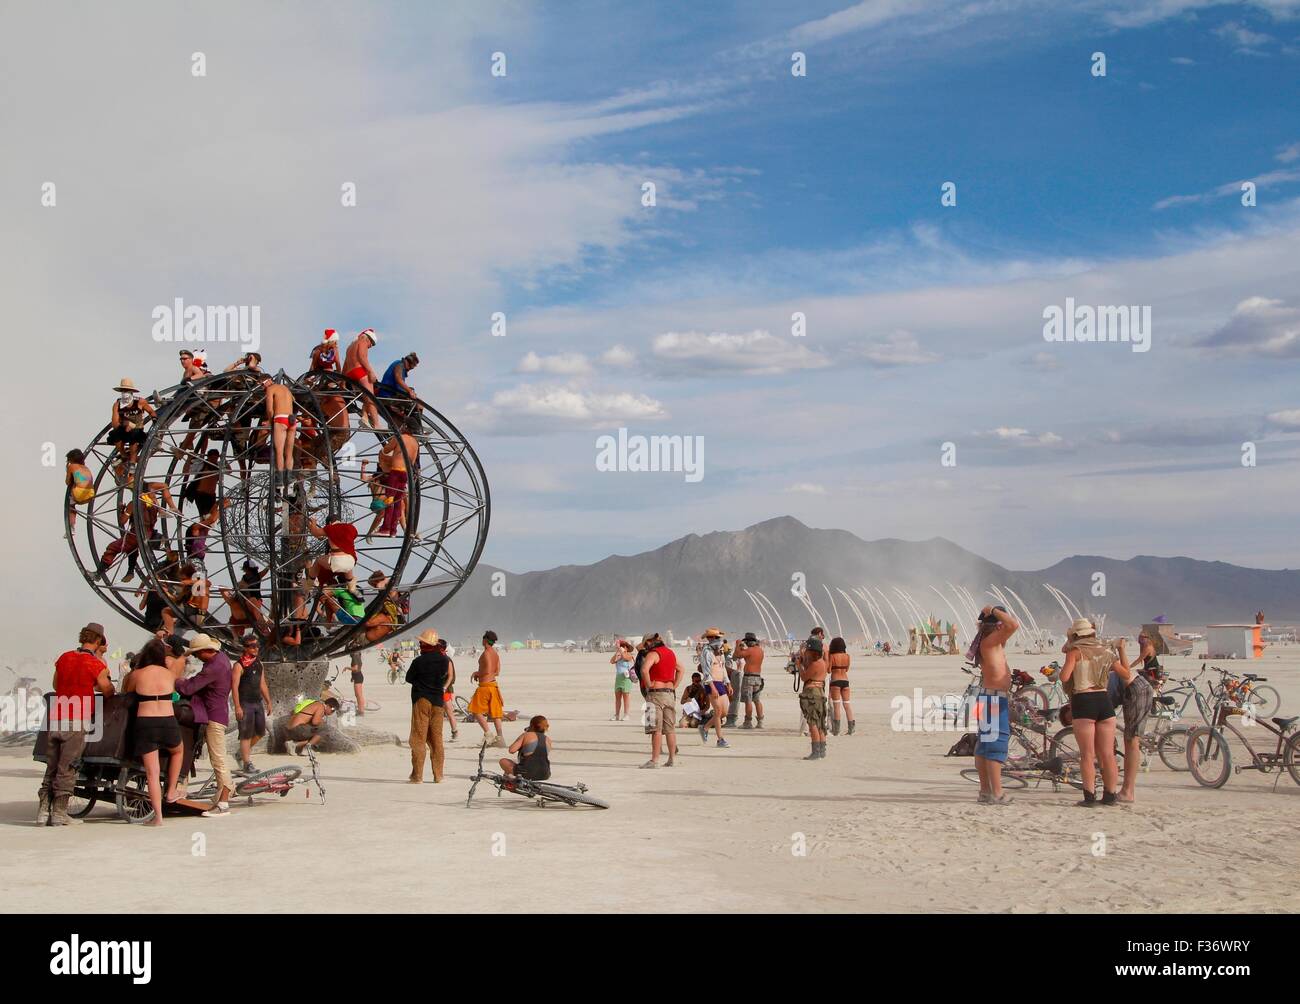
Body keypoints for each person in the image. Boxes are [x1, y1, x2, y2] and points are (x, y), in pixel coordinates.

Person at [37, 623, 115, 825]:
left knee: (51, 767)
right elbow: (106, 690)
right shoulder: (96, 665)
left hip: (55, 719)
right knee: (68, 767)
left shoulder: (64, 657)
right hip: (76, 719)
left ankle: (43, 812)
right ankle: (60, 814)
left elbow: (56, 684)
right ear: (98, 640)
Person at [1059, 618, 1124, 808]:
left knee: (1087, 754)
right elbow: (1125, 673)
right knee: (1107, 754)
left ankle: (1089, 797)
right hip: (1104, 700)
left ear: (1076, 635)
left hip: (1084, 700)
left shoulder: (1075, 652)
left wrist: (1071, 644)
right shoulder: (1106, 650)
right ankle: (1110, 795)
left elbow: (1064, 676)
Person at [121, 637, 183, 826]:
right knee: (178, 751)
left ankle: (158, 817)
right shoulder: (169, 674)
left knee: (152, 773)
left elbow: (126, 691)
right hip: (168, 720)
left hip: (145, 723)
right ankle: (171, 790)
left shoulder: (138, 674)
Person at [174, 634, 235, 815]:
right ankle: (223, 794)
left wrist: (175, 680)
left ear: (206, 651)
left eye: (197, 654)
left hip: (214, 716)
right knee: (218, 758)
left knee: (218, 759)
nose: (195, 657)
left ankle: (224, 803)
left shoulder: (213, 668)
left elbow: (189, 688)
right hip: (218, 712)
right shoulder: (222, 658)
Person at [968, 605, 1019, 805]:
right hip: (992, 700)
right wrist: (993, 610)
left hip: (986, 698)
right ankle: (997, 793)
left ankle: (985, 791)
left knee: (984, 746)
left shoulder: (990, 643)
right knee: (995, 745)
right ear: (996, 625)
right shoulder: (990, 641)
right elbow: (1013, 624)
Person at [1109, 635, 1151, 804]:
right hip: (1137, 687)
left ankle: (1128, 792)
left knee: (1131, 740)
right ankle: (1126, 789)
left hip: (1136, 689)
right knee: (1130, 739)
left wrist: (1120, 649)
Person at [405, 629, 449, 783]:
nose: (419, 644)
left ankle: (417, 776)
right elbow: (444, 676)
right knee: (437, 739)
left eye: (421, 642)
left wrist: (420, 682)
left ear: (425, 644)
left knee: (418, 738)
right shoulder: (444, 660)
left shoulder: (418, 661)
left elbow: (409, 678)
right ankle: (438, 775)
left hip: (421, 699)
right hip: (438, 701)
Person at [639, 632, 681, 768]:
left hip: (655, 694)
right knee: (670, 729)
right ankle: (672, 759)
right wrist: (674, 685)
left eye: (646, 644)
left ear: (650, 642)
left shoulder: (653, 653)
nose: (646, 646)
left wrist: (649, 684)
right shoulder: (671, 653)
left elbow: (644, 670)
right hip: (669, 694)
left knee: (655, 729)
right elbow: (681, 669)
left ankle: (654, 760)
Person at [231, 636, 272, 775]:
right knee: (246, 735)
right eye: (252, 646)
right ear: (245, 648)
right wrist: (237, 706)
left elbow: (262, 683)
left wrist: (268, 701)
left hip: (257, 702)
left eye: (257, 645)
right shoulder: (239, 665)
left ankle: (241, 753)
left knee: (261, 732)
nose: (255, 648)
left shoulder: (259, 663)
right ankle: (247, 762)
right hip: (245, 703)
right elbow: (234, 687)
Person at [106, 377, 156, 472]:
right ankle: (124, 455)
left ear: (131, 392)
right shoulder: (117, 404)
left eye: (126, 390)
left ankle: (132, 462)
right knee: (115, 434)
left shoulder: (140, 402)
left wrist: (154, 420)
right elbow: (115, 422)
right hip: (124, 428)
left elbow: (151, 412)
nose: (125, 393)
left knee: (134, 435)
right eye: (123, 390)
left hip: (137, 429)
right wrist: (125, 424)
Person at [469, 630, 505, 746]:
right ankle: (500, 738)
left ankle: (488, 734)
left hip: (485, 686)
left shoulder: (486, 653)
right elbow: (497, 671)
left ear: (485, 640)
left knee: (475, 710)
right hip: (493, 685)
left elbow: (488, 669)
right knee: (496, 714)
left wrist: (477, 673)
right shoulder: (495, 653)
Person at [698, 628, 731, 747]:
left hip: (721, 683)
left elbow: (723, 668)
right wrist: (712, 687)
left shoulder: (720, 651)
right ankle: (720, 739)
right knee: (717, 711)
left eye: (719, 638)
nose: (719, 640)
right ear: (710, 639)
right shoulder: (706, 652)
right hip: (711, 683)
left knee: (724, 712)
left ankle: (705, 728)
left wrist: (728, 683)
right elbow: (706, 672)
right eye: (716, 638)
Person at [262, 377, 297, 487]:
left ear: (268, 381)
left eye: (262, 385)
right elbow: (293, 401)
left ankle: (280, 480)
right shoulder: (286, 389)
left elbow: (269, 409)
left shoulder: (271, 389)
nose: (263, 388)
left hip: (280, 418)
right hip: (291, 419)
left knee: (279, 451)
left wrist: (269, 420)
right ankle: (289, 477)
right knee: (289, 452)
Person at [342, 328, 381, 428]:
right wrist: (370, 372)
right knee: (371, 397)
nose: (371, 346)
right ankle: (377, 424)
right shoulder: (363, 341)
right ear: (368, 338)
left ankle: (365, 417)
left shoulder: (350, 346)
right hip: (359, 370)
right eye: (371, 343)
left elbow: (345, 364)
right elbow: (362, 357)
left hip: (350, 373)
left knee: (365, 396)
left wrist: (342, 380)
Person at [798, 636, 829, 760]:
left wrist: (799, 666)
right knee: (820, 723)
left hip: (812, 693)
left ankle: (815, 752)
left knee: (813, 723)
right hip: (820, 693)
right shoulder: (822, 663)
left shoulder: (815, 664)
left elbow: (804, 677)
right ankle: (821, 750)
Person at [501, 716, 552, 781]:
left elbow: (511, 750)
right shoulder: (548, 740)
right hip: (545, 774)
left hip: (527, 773)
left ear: (531, 725)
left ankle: (511, 780)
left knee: (503, 761)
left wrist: (522, 737)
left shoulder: (526, 735)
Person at [737, 632, 765, 729]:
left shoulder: (749, 650)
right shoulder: (760, 650)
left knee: (748, 700)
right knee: (757, 700)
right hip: (758, 677)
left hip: (749, 677)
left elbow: (737, 655)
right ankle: (760, 721)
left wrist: (738, 645)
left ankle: (748, 722)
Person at [827, 636, 854, 736]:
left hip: (835, 681)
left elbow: (829, 670)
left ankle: (836, 730)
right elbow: (847, 669)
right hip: (845, 681)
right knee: (847, 706)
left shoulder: (832, 656)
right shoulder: (847, 656)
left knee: (837, 706)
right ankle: (851, 729)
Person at [64, 449, 95, 534]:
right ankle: (72, 527)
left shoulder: (72, 466)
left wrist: (67, 470)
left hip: (80, 494)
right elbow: (81, 479)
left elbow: (67, 482)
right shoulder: (86, 468)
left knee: (70, 506)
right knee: (72, 501)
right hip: (91, 494)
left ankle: (71, 527)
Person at [439, 639, 460, 741]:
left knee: (449, 712)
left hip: (444, 690)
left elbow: (450, 676)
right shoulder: (437, 658)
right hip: (438, 689)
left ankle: (455, 732)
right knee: (438, 713)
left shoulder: (446, 659)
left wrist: (444, 687)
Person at [610, 639, 635, 721]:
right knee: (617, 697)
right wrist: (617, 652)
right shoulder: (618, 655)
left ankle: (626, 714)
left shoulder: (629, 655)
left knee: (626, 696)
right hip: (618, 677)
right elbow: (612, 661)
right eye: (621, 647)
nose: (622, 648)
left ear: (626, 648)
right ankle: (617, 715)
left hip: (626, 678)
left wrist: (622, 651)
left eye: (623, 647)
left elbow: (625, 657)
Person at [347, 649, 367, 717]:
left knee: (359, 695)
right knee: (358, 695)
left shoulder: (354, 657)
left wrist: (346, 668)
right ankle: (360, 710)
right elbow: (357, 668)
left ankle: (361, 711)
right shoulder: (358, 655)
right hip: (358, 676)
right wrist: (352, 677)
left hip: (358, 676)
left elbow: (355, 668)